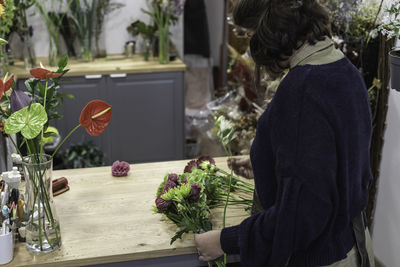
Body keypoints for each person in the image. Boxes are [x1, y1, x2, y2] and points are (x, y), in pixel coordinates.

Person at [194, 0, 375, 266]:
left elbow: (303, 214)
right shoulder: (343, 69)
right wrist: (270, 165)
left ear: (269, 31)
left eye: (250, 36)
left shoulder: (302, 89)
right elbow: (331, 170)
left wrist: (226, 240)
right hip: (350, 245)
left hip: (317, 258)